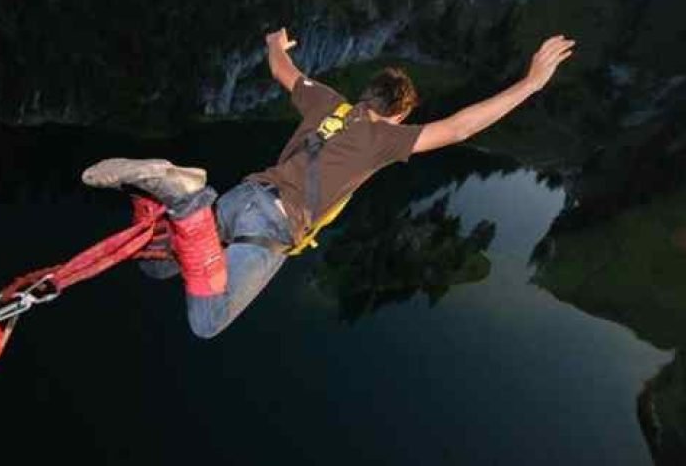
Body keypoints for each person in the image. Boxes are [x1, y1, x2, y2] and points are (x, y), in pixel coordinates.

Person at [82, 28, 575, 338]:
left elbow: (281, 68)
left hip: (242, 197)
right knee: (206, 323)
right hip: (272, 226)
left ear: (365, 96)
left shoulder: (327, 102)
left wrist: (276, 42)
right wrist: (531, 82)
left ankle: (181, 202)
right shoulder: (386, 138)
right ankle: (187, 202)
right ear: (399, 113)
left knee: (157, 268)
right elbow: (462, 127)